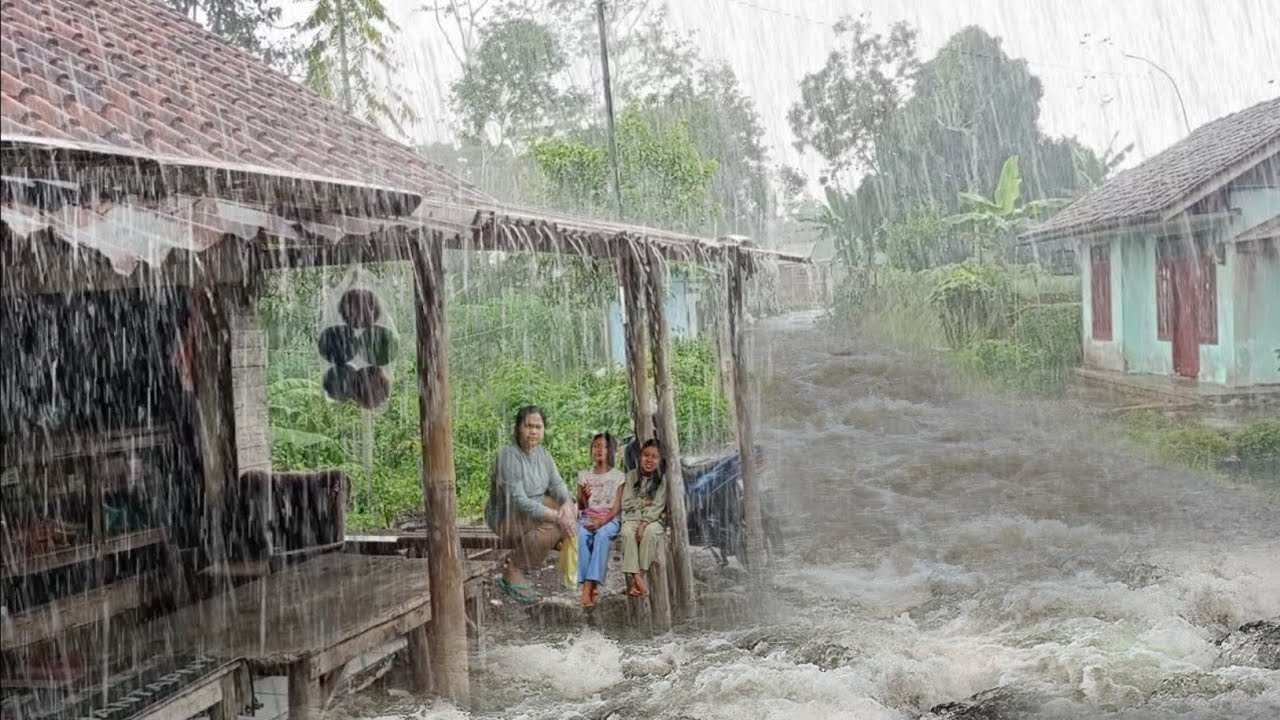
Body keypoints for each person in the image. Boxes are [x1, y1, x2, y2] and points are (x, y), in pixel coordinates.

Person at [485, 405, 576, 604]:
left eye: (538, 427)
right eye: (528, 426)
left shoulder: (543, 455)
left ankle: (549, 541)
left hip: (532, 509)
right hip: (506, 516)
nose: (533, 431)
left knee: (571, 507)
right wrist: (559, 517)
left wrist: (568, 507)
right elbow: (519, 502)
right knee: (553, 525)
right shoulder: (509, 457)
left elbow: (558, 485)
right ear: (518, 428)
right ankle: (514, 568)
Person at [576, 433, 625, 609]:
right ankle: (590, 585)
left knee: (602, 536)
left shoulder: (618, 476)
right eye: (595, 446)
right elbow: (581, 505)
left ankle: (588, 585)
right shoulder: (583, 475)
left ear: (611, 451)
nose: (598, 450)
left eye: (604, 446)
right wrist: (585, 495)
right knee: (580, 535)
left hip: (609, 518)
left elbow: (617, 507)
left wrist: (601, 522)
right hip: (587, 516)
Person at [621, 438, 667, 598]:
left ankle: (638, 578)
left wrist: (644, 522)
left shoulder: (663, 480)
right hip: (632, 519)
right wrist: (644, 502)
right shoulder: (631, 476)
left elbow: (658, 505)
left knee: (650, 533)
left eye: (654, 457)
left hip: (654, 520)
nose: (649, 460)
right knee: (627, 533)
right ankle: (638, 579)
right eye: (646, 455)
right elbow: (626, 503)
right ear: (640, 456)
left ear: (660, 460)